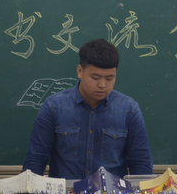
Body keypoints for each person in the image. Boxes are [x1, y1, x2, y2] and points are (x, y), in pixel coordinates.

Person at [22, 39, 153, 180]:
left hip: (113, 193)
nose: (102, 85)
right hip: (66, 193)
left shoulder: (129, 110)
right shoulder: (53, 107)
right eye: (95, 78)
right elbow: (35, 160)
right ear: (80, 71)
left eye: (109, 78)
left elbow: (141, 165)